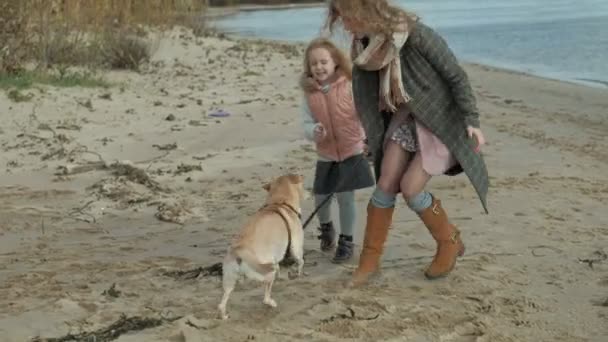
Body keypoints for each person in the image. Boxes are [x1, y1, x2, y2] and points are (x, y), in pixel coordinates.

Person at [324, 0, 490, 286]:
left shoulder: (417, 35)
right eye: (341, 18)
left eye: (347, 16)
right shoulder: (364, 49)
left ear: (367, 11)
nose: (345, 24)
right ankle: (369, 262)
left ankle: (449, 240)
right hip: (405, 121)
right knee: (386, 183)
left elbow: (456, 77)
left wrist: (472, 121)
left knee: (411, 188)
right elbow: (370, 101)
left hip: (438, 122)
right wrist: (369, 137)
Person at [300, 37, 376, 263]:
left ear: (335, 63)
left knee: (346, 198)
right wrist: (313, 130)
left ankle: (346, 240)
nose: (319, 67)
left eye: (324, 62)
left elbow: (366, 113)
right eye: (314, 64)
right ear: (309, 68)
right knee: (321, 196)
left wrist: (369, 139)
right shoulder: (309, 94)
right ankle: (326, 228)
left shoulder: (351, 85)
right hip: (326, 153)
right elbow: (305, 123)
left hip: (352, 149)